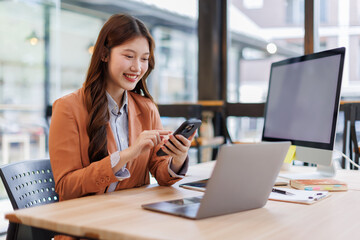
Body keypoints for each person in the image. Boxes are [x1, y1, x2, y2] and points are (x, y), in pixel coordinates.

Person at [49, 14, 194, 239]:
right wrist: (125, 156)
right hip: (85, 229)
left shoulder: (147, 108)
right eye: (129, 56)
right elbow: (66, 187)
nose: (137, 67)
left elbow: (162, 175)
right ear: (105, 54)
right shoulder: (68, 108)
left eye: (144, 59)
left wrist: (177, 158)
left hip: (133, 224)